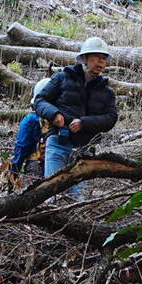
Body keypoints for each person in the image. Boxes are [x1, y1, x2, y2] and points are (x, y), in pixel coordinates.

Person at [34, 36, 119, 200]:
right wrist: (54, 114)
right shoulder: (62, 78)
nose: (101, 62)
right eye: (96, 57)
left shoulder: (107, 91)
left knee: (76, 200)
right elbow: (40, 101)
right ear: (85, 59)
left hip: (84, 151)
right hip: (58, 143)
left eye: (104, 58)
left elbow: (111, 118)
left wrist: (84, 123)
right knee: (51, 194)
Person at [9, 78, 52, 178]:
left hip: (37, 165)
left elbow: (22, 147)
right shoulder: (66, 116)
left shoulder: (31, 119)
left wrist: (13, 174)